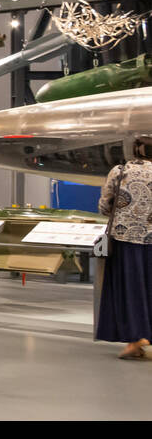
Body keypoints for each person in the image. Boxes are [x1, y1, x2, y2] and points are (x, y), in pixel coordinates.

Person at [96, 138, 152, 361]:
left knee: (130, 291)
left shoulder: (120, 171)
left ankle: (136, 339)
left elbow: (104, 206)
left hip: (125, 240)